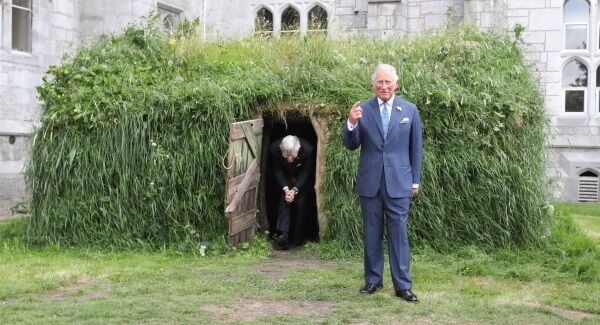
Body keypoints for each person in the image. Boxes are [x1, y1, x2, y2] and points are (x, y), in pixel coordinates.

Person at [342, 64, 423, 302]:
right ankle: (373, 280)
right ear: (373, 84)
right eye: (380, 82)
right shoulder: (362, 110)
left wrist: (415, 181)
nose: (384, 86)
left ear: (396, 84)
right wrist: (351, 123)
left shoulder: (409, 110)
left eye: (388, 82)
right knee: (372, 233)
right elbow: (351, 144)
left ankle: (403, 286)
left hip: (399, 183)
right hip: (371, 183)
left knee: (399, 235)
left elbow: (415, 149)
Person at [269, 135, 314, 249]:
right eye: (286, 155)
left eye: (292, 155)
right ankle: (283, 236)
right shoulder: (274, 148)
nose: (289, 159)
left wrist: (294, 190)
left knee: (300, 204)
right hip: (285, 178)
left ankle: (297, 237)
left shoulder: (307, 149)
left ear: (298, 149)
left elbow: (305, 173)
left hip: (301, 180)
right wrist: (286, 189)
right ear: (281, 149)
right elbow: (277, 171)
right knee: (284, 200)